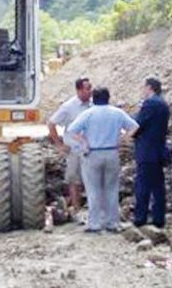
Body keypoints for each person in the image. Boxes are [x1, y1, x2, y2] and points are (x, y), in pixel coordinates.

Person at [67, 87, 139, 233]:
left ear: (93, 98)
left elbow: (72, 130)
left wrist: (84, 142)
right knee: (111, 189)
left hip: (93, 153)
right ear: (108, 98)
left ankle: (95, 224)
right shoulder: (117, 113)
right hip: (112, 152)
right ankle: (112, 222)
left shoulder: (88, 113)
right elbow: (134, 126)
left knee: (93, 189)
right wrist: (122, 139)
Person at [48, 77, 92, 215]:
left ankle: (92, 209)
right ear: (79, 90)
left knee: (92, 179)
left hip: (91, 149)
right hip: (74, 150)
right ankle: (76, 210)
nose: (90, 91)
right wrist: (59, 145)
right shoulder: (69, 107)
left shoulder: (93, 105)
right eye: (87, 88)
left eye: (90, 88)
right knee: (74, 179)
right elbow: (51, 123)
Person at [133, 77, 171, 228]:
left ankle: (140, 217)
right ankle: (158, 217)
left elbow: (138, 124)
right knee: (158, 186)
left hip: (147, 151)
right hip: (159, 149)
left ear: (149, 87)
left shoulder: (150, 104)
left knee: (143, 185)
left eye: (144, 87)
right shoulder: (163, 104)